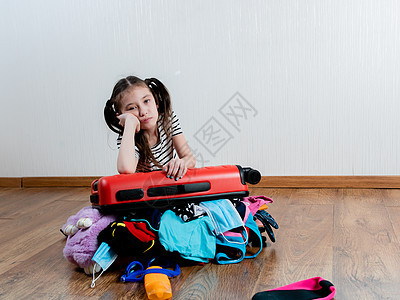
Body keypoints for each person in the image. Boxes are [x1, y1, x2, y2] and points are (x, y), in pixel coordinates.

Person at [104, 76, 195, 180]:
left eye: (146, 101)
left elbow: (190, 158)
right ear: (121, 115)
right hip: (146, 190)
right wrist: (130, 123)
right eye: (132, 108)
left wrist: (182, 163)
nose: (143, 112)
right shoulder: (128, 136)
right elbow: (125, 169)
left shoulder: (167, 120)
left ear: (155, 101)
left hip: (171, 182)